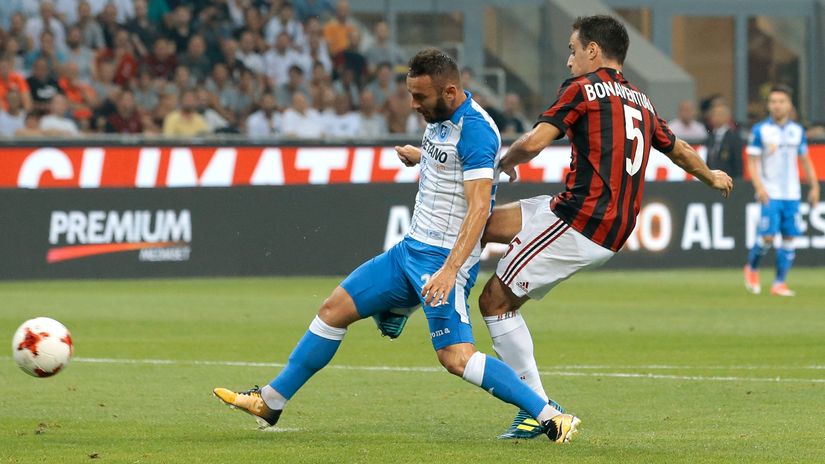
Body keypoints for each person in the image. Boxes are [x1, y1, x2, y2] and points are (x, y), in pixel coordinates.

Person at [373, 15, 733, 440]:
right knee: (481, 224)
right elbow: (678, 149)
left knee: (494, 301)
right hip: (594, 217)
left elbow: (537, 141)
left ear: (593, 51)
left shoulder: (582, 89)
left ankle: (535, 407)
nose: (569, 60)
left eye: (573, 49)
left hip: (581, 222)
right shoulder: (641, 100)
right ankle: (407, 304)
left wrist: (502, 162)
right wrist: (711, 176)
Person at [213, 48, 581, 444]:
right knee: (332, 310)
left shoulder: (476, 130)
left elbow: (478, 208)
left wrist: (451, 270)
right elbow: (452, 165)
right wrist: (421, 157)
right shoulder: (441, 118)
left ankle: (550, 415)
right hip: (408, 252)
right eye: (411, 94)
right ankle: (271, 401)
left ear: (451, 91)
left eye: (420, 97)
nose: (413, 104)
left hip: (441, 261)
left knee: (455, 357)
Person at [743, 85, 819, 296]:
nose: (777, 106)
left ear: (789, 105)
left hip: (792, 194)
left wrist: (814, 186)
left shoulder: (797, 131)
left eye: (781, 101)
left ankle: (779, 283)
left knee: (789, 238)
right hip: (770, 191)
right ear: (768, 105)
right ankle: (752, 267)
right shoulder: (761, 130)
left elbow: (805, 160)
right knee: (767, 237)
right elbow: (752, 162)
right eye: (773, 102)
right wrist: (759, 187)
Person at [704, 103, 743, 178]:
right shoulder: (709, 138)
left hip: (729, 179)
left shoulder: (734, 138)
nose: (715, 117)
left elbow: (738, 164)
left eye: (719, 114)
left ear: (727, 117)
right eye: (713, 114)